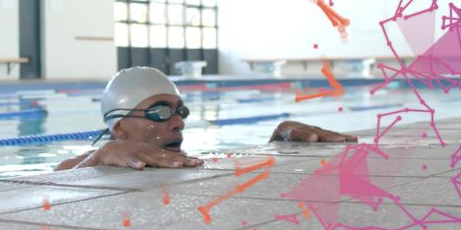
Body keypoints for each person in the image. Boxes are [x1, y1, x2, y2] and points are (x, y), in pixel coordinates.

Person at [56, 66, 358, 170]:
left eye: (180, 111)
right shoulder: (81, 162)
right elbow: (56, 180)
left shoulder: (182, 157)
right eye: (159, 112)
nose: (178, 123)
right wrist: (101, 155)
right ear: (119, 127)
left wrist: (278, 142)